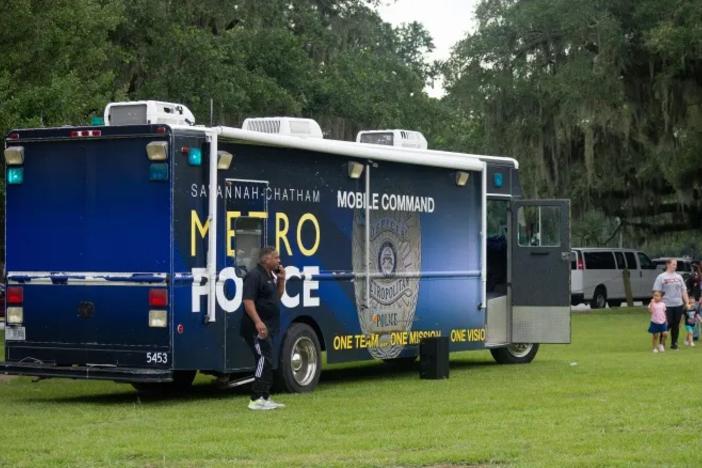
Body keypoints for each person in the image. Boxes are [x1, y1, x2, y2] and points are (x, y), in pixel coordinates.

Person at [242, 247, 286, 411]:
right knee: (263, 359)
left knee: (267, 359)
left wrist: (281, 280)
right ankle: (256, 398)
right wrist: (258, 322)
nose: (279, 261)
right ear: (266, 259)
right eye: (276, 257)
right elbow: (248, 302)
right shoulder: (254, 276)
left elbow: (276, 298)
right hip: (256, 328)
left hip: (268, 327)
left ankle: (265, 397)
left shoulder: (270, 276)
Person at [653, 259, 689, 350]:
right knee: (666, 325)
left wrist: (687, 302)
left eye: (676, 265)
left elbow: (683, 290)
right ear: (668, 265)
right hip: (666, 305)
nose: (675, 266)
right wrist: (656, 304)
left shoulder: (679, 277)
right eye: (673, 264)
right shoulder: (661, 277)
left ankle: (674, 343)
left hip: (678, 304)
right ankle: (661, 343)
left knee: (676, 325)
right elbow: (657, 291)